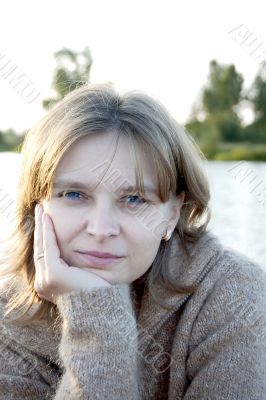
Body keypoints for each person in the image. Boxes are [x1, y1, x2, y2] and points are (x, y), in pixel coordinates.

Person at [0, 83, 265, 400]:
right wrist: (97, 320)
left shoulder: (232, 293)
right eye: (74, 194)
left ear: (171, 214)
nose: (101, 229)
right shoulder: (8, 315)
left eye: (135, 199)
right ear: (36, 206)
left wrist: (96, 313)